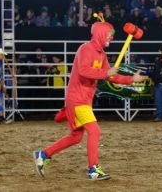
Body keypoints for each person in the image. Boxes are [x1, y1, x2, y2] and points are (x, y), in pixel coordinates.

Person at [33, 21, 148, 180]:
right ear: (101, 34)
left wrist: (131, 79)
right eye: (109, 35)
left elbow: (111, 77)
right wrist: (106, 72)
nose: (111, 38)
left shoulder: (102, 55)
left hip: (84, 99)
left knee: (76, 137)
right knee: (95, 131)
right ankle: (93, 169)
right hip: (77, 98)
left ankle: (43, 154)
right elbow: (84, 70)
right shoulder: (85, 48)